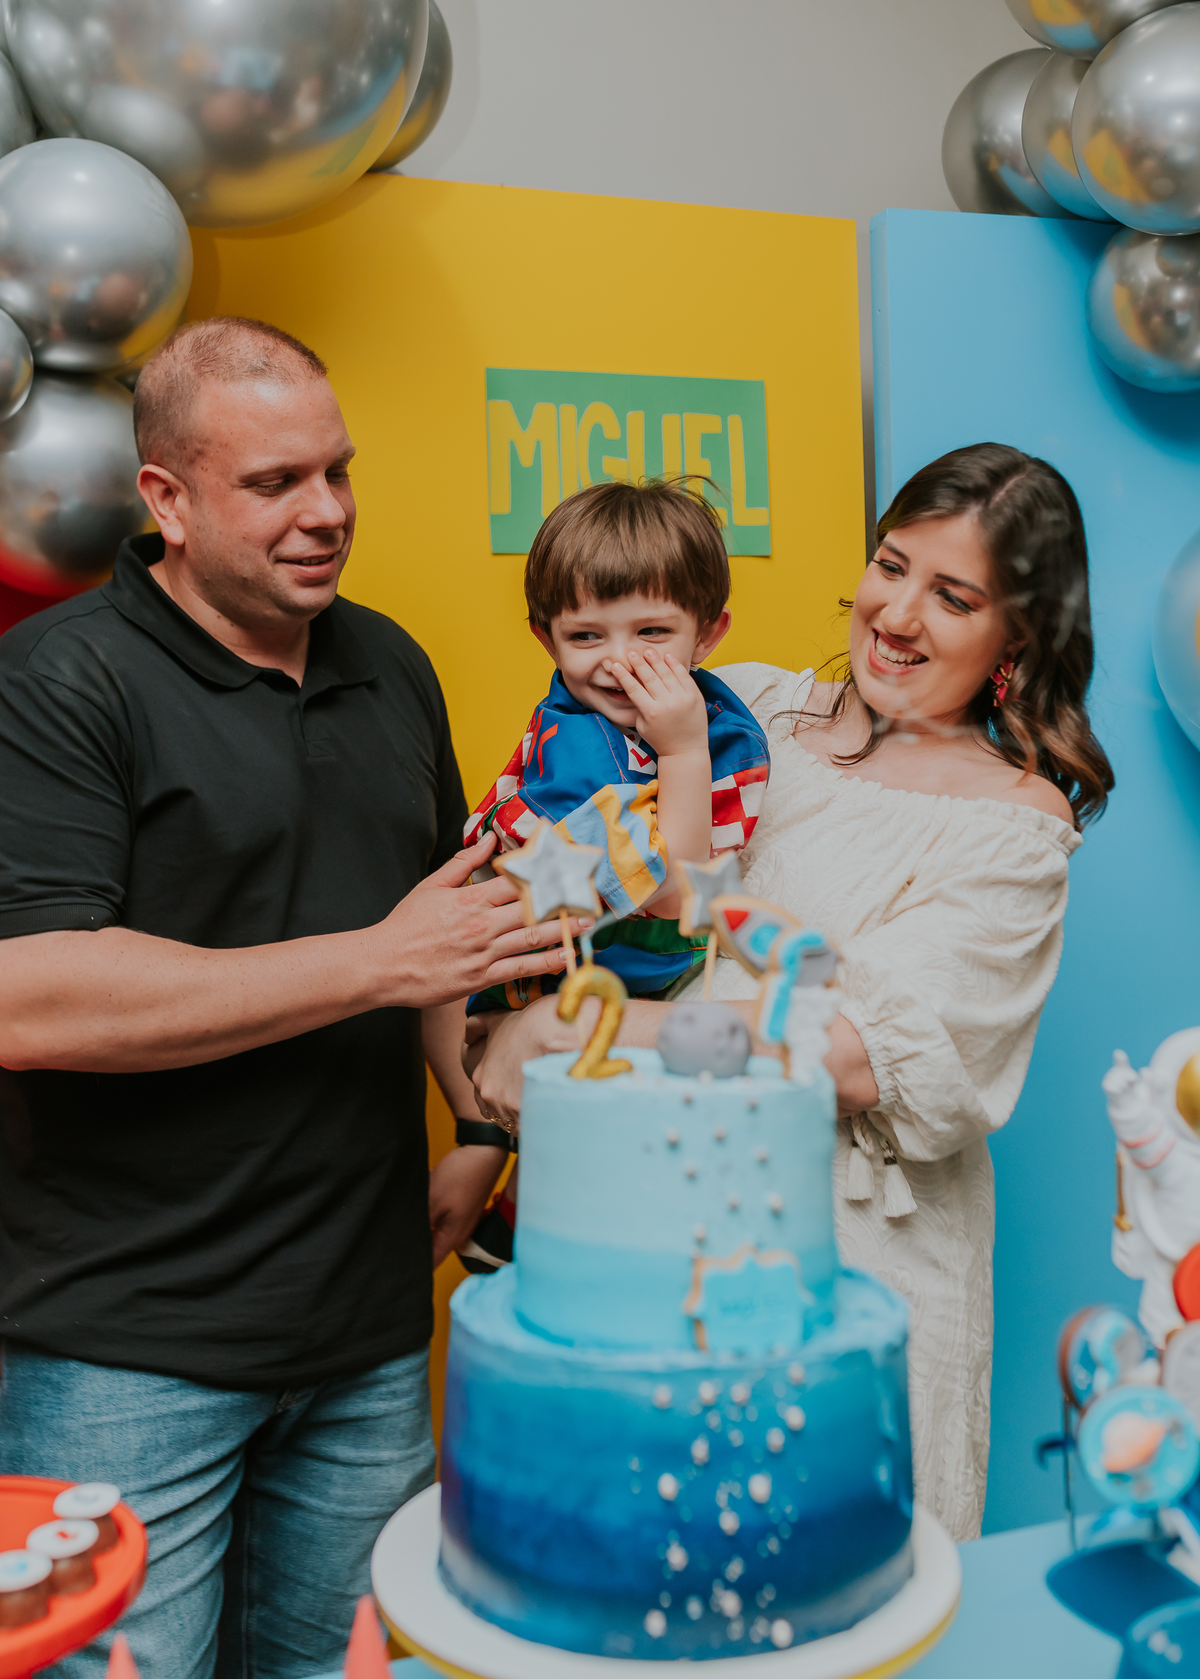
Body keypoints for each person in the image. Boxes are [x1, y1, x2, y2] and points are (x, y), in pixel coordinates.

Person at [0, 316, 580, 1679]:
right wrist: (377, 961)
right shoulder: (61, 683)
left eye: (339, 470)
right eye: (275, 484)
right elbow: (30, 995)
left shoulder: (389, 660)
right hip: (121, 1351)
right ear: (167, 500)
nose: (326, 513)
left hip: (368, 1334)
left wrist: (482, 1127)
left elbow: (449, 928)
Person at [467, 442, 1115, 1540]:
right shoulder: (749, 707)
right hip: (656, 1229)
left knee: (824, 1586)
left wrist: (587, 1031)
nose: (896, 614)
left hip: (850, 1266)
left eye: (952, 597)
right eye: (890, 564)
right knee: (654, 1583)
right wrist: (493, 1037)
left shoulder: (1015, 826)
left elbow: (858, 1054)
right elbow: (578, 872)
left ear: (1020, 636)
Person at [457, 481, 770, 1271]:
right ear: (546, 638)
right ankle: (526, 1229)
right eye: (586, 635)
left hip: (627, 963)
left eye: (653, 631)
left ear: (709, 633)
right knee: (598, 1114)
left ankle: (520, 1221)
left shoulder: (717, 710)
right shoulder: (580, 751)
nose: (621, 661)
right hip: (546, 971)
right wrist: (683, 751)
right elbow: (680, 893)